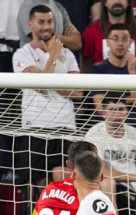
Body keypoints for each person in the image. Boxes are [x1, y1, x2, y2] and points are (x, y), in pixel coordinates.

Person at [12, 5, 83, 190]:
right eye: (41, 22)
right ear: (30, 24)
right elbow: (41, 87)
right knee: (37, 186)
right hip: (36, 125)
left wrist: (44, 75)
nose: (46, 26)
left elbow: (78, 93)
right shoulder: (22, 54)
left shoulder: (67, 54)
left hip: (64, 126)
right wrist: (53, 58)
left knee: (63, 185)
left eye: (50, 21)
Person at [84, 93, 136, 215]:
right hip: (101, 185)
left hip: (129, 187)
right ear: (103, 113)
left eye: (121, 110)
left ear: (127, 113)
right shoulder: (94, 133)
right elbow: (100, 171)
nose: (116, 114)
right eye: (112, 110)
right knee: (108, 182)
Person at [81, 0, 136, 74]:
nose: (117, 1)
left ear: (128, 2)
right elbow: (86, 63)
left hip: (133, 82)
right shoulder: (91, 31)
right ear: (105, 3)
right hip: (101, 82)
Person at [17, 0, 82, 51]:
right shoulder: (28, 6)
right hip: (34, 63)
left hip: (59, 63)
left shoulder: (58, 7)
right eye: (41, 22)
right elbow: (43, 40)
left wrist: (57, 38)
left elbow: (78, 43)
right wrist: (64, 39)